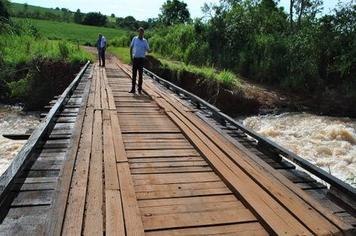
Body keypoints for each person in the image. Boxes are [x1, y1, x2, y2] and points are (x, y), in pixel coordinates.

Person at [129, 27, 150, 94]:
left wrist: (149, 51)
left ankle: (139, 89)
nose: (141, 33)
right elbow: (131, 48)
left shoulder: (145, 41)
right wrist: (131, 57)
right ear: (138, 32)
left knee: (140, 75)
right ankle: (133, 89)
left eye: (142, 32)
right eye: (140, 32)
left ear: (143, 33)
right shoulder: (134, 39)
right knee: (134, 74)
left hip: (141, 59)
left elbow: (148, 49)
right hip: (135, 59)